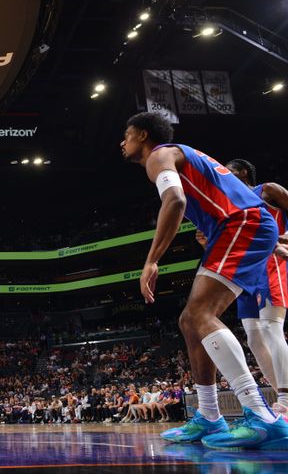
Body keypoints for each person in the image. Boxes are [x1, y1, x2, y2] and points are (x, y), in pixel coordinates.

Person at [120, 111, 288, 450]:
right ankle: (209, 414)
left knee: (201, 315)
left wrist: (152, 261)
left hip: (241, 225)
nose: (122, 142)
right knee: (190, 319)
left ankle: (262, 416)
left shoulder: (159, 155)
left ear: (141, 134)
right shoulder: (180, 155)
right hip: (240, 227)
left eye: (126, 135)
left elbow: (175, 199)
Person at [215, 159, 288, 414]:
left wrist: (284, 239)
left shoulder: (267, 190)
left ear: (243, 172)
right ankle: (282, 395)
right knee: (255, 339)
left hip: (271, 263)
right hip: (245, 272)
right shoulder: (233, 206)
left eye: (229, 170)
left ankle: (286, 401)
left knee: (271, 329)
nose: (225, 175)